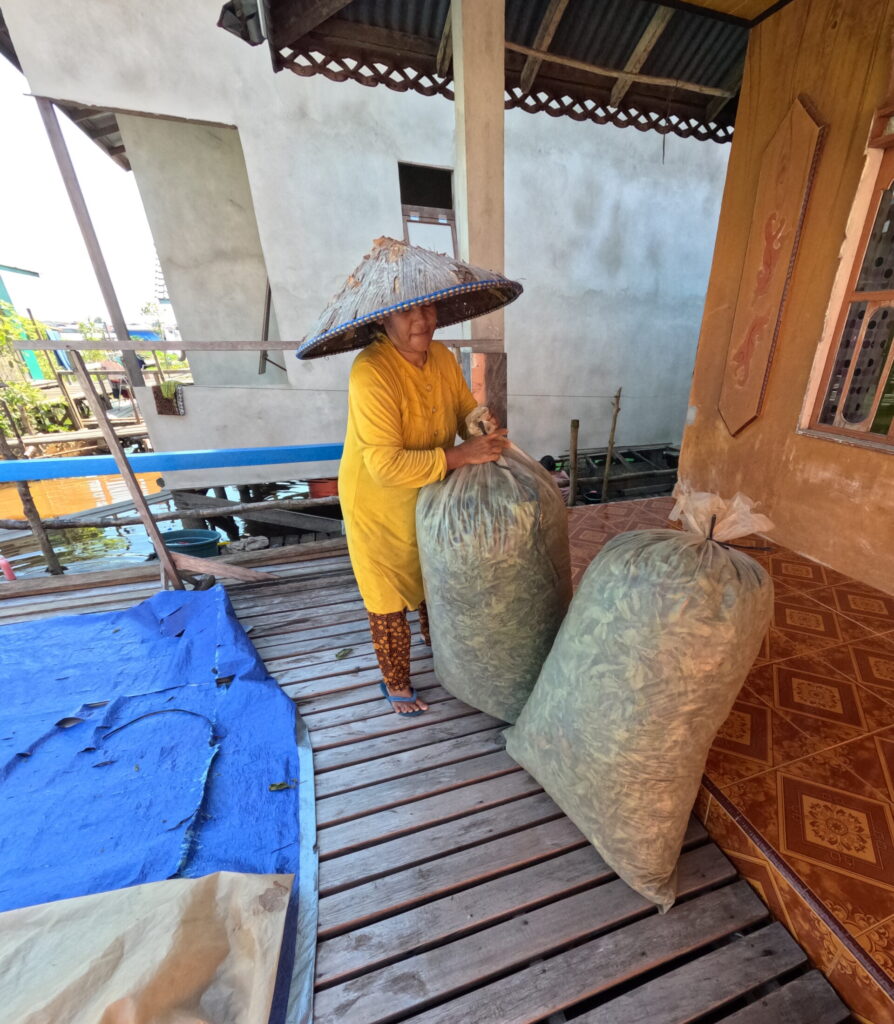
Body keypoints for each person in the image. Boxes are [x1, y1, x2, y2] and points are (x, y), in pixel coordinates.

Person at [298, 237, 523, 715]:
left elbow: (464, 411)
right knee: (388, 597)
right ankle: (396, 684)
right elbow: (384, 464)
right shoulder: (371, 373)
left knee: (433, 575)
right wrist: (463, 456)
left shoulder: (441, 358)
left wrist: (480, 423)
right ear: (383, 317)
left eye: (428, 308)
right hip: (378, 503)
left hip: (429, 497)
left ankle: (441, 649)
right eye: (408, 312)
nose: (422, 320)